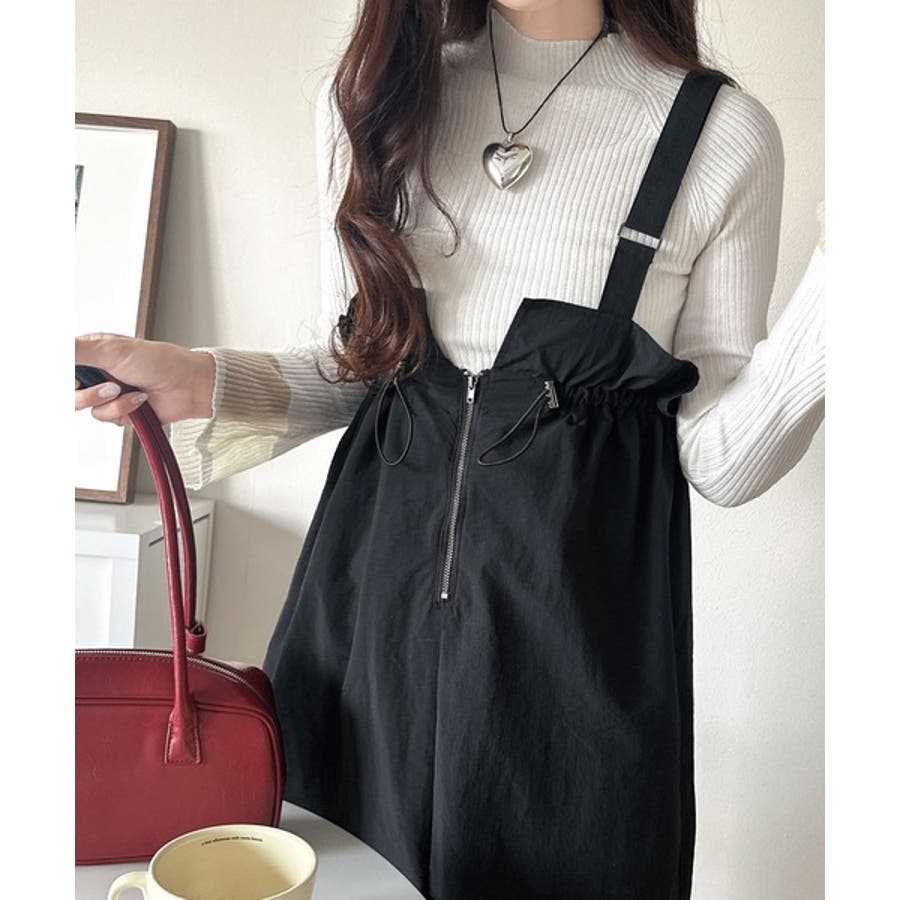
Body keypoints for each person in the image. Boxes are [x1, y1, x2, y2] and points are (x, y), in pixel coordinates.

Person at [75, 2, 824, 897]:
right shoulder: (371, 98)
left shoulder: (719, 134)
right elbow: (362, 367)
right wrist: (201, 380)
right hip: (362, 625)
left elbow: (719, 459)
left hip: (577, 657)